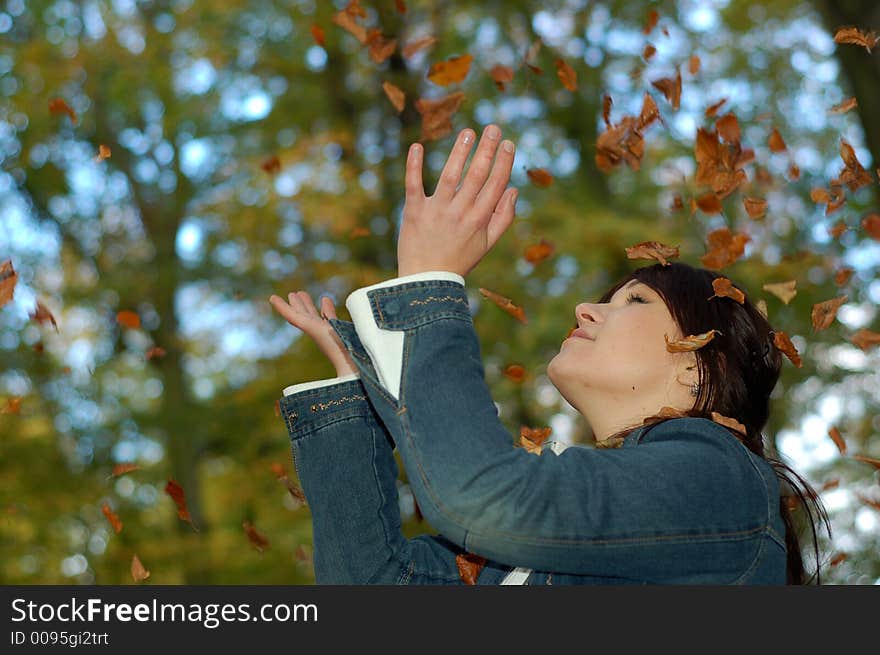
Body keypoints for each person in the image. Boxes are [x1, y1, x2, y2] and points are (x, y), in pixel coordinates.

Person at [269, 124, 831, 584]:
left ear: (695, 364)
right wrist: (352, 394)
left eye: (633, 300)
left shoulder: (719, 483)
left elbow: (478, 495)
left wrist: (428, 284)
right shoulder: (563, 527)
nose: (587, 309)